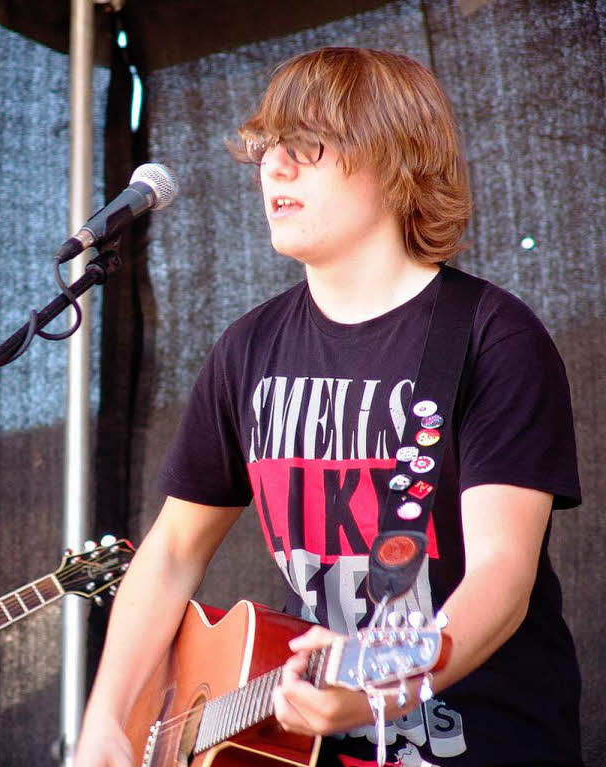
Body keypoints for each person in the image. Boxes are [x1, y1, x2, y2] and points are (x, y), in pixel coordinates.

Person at [75, 47, 582, 767]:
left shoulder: (491, 338)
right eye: (265, 148)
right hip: (314, 742)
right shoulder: (247, 351)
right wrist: (105, 724)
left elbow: (502, 576)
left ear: (397, 158)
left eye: (305, 144)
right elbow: (171, 552)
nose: (273, 169)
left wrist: (380, 682)